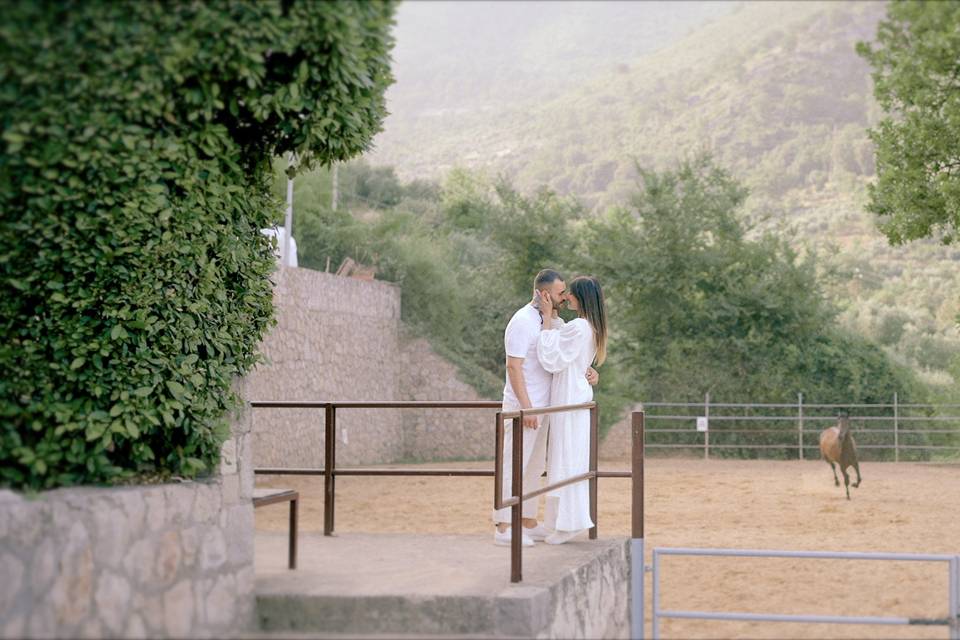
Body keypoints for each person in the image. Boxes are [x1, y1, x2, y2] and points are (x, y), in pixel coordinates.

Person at [492, 269, 598, 546]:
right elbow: (513, 367)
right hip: (525, 408)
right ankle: (503, 526)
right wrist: (526, 408)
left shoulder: (553, 321)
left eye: (566, 293)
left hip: (546, 409)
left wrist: (590, 372)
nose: (564, 298)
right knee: (513, 464)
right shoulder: (523, 322)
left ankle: (527, 521)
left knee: (533, 467)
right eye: (560, 293)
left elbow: (572, 353)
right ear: (544, 293)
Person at [536, 275, 608, 544]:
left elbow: (552, 358)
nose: (566, 298)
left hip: (569, 395)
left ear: (581, 298)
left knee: (567, 456)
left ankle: (568, 524)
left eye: (570, 294)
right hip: (574, 392)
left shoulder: (579, 327)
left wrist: (545, 320)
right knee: (568, 455)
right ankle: (559, 521)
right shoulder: (587, 327)